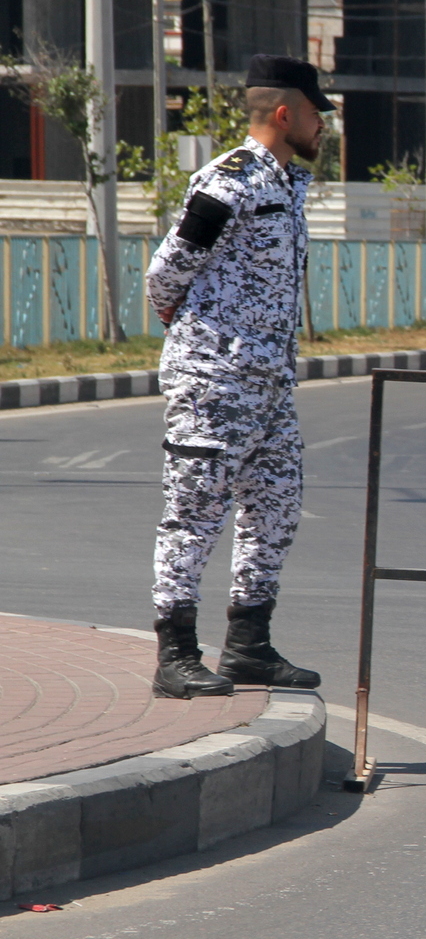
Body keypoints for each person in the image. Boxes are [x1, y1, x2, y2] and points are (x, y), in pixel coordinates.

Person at [143, 55, 332, 699]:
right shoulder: (229, 182)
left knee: (275, 507)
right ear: (286, 113)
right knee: (193, 514)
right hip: (215, 381)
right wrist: (197, 338)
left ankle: (248, 644)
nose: (323, 126)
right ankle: (177, 654)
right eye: (316, 114)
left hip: (271, 383)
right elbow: (166, 272)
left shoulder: (285, 183)